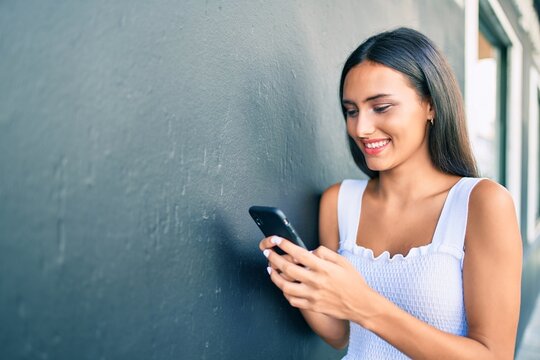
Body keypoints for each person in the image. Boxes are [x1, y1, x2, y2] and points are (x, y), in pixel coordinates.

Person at [259, 27, 522, 359]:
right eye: (351, 111)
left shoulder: (481, 204)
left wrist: (367, 306)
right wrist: (298, 285)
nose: (360, 128)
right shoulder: (339, 202)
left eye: (380, 107)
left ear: (431, 105)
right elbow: (340, 334)